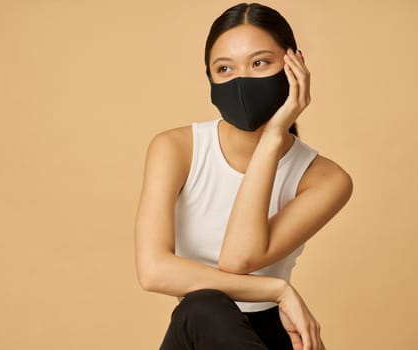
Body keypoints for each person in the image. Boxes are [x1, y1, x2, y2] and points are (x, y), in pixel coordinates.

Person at [134, 3, 353, 350]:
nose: (241, 81)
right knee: (203, 305)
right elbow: (153, 270)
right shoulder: (176, 149)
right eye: (224, 69)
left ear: (294, 65)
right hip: (196, 331)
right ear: (209, 79)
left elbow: (239, 258)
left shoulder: (326, 180)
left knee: (204, 304)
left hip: (273, 334)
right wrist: (277, 289)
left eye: (260, 63)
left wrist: (273, 136)